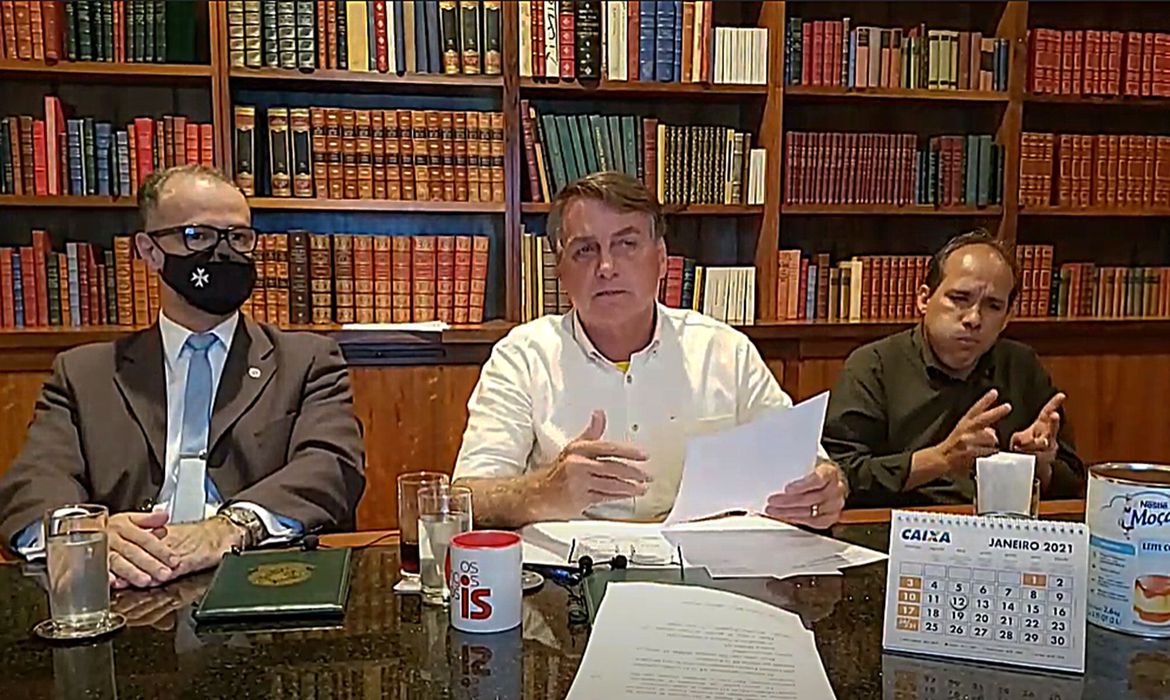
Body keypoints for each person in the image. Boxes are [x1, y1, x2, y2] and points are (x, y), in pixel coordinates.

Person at [0, 165, 365, 588]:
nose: (223, 253)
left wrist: (229, 528)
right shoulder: (84, 373)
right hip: (124, 586)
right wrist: (82, 536)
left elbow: (331, 466)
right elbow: (33, 482)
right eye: (199, 236)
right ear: (149, 250)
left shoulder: (307, 361)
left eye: (238, 238)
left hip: (256, 579)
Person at [452, 171, 847, 529]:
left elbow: (807, 463)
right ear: (560, 270)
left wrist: (826, 486)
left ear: (661, 260)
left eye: (626, 244)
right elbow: (467, 497)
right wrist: (544, 492)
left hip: (704, 566)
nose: (606, 267)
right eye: (585, 250)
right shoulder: (522, 357)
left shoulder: (724, 351)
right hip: (571, 571)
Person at [823, 230, 1084, 507]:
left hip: (998, 521)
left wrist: (1037, 465)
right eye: (960, 298)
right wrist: (941, 458)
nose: (974, 318)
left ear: (1007, 317)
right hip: (904, 521)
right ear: (924, 299)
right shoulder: (873, 366)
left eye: (993, 306)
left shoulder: (1021, 365)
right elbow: (841, 476)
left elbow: (1073, 481)